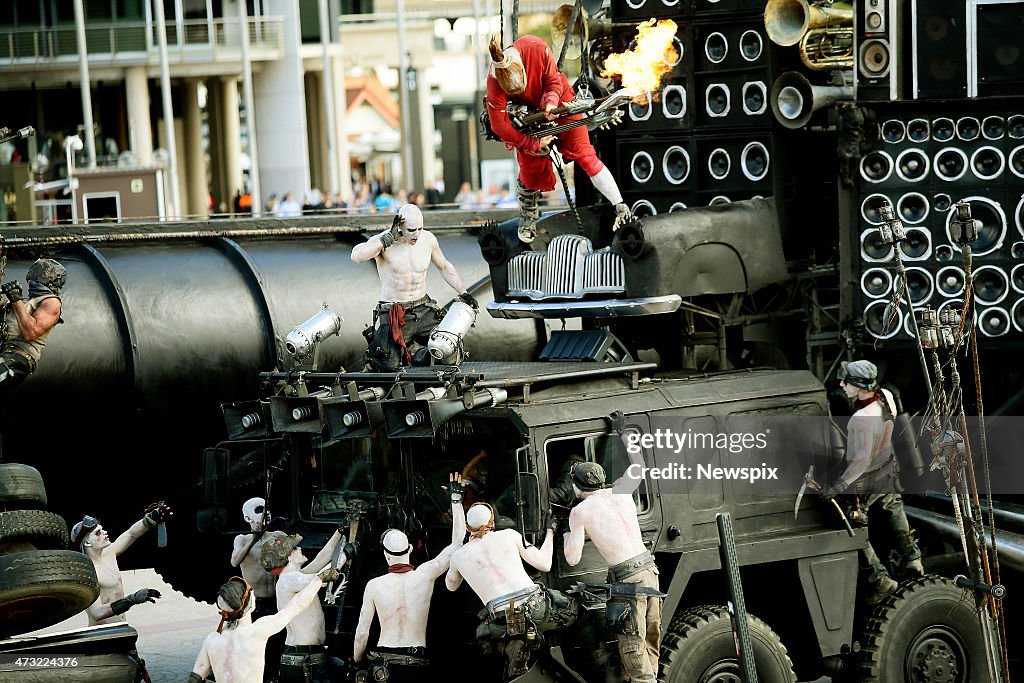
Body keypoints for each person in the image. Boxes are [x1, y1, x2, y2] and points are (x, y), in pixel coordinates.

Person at [485, 33, 633, 243]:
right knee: (530, 164)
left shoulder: (537, 47)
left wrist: (551, 102)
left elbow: (553, 80)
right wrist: (531, 142)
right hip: (527, 114)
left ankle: (621, 207)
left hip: (559, 98)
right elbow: (499, 125)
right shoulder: (494, 79)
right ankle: (528, 211)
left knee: (585, 153)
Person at [563, 411, 662, 683]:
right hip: (649, 569)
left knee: (632, 642)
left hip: (627, 579)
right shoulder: (622, 488)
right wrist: (623, 432)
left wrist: (563, 533)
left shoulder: (580, 511)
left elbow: (572, 559)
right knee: (651, 636)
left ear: (577, 486)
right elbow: (639, 464)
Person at [820, 360, 924, 597]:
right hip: (887, 467)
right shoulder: (886, 396)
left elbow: (861, 462)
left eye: (846, 381)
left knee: (850, 528)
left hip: (867, 479)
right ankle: (914, 560)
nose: (841, 384)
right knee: (893, 509)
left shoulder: (861, 418)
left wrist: (836, 488)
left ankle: (879, 580)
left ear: (857, 384)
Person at [353, 473, 467, 680]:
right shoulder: (425, 574)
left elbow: (362, 633)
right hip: (417, 663)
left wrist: (356, 662)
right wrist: (456, 500)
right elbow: (457, 543)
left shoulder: (374, 585)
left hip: (383, 667)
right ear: (411, 549)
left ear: (386, 555)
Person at [446, 501, 572, 678]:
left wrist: (457, 549)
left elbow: (450, 586)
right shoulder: (509, 535)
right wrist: (550, 531)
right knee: (573, 612)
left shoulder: (458, 556)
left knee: (508, 626)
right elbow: (545, 564)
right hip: (536, 607)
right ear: (492, 523)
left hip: (502, 621)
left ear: (468, 528)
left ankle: (517, 644)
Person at [350, 203, 479, 371]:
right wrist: (384, 241)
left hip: (423, 309)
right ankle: (407, 351)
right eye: (411, 230)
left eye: (420, 228)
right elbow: (356, 257)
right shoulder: (383, 241)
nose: (416, 234)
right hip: (395, 311)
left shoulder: (428, 239)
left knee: (449, 347)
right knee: (387, 367)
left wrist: (464, 293)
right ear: (400, 225)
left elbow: (444, 267)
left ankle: (414, 352)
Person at [187, 572, 332, 683]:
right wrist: (319, 579)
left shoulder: (212, 639)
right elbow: (296, 606)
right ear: (249, 605)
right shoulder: (257, 631)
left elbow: (195, 677)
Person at [260, 530, 349, 682]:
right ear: (287, 557)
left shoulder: (295, 576)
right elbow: (322, 577)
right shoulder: (290, 579)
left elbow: (323, 556)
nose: (300, 549)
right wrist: (345, 555)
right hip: (303, 661)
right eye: (295, 548)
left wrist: (339, 532)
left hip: (305, 657)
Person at [230, 497, 285, 682]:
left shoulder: (278, 536)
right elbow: (235, 561)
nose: (265, 513)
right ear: (247, 517)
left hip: (276, 603)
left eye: (267, 509)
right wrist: (254, 539)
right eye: (259, 510)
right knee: (255, 653)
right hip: (255, 605)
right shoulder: (242, 539)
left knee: (276, 649)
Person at [0, 259, 65, 396]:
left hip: (18, 357)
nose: (31, 278)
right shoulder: (24, 303)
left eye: (37, 274)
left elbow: (31, 332)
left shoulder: (51, 302)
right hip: (3, 352)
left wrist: (15, 299)